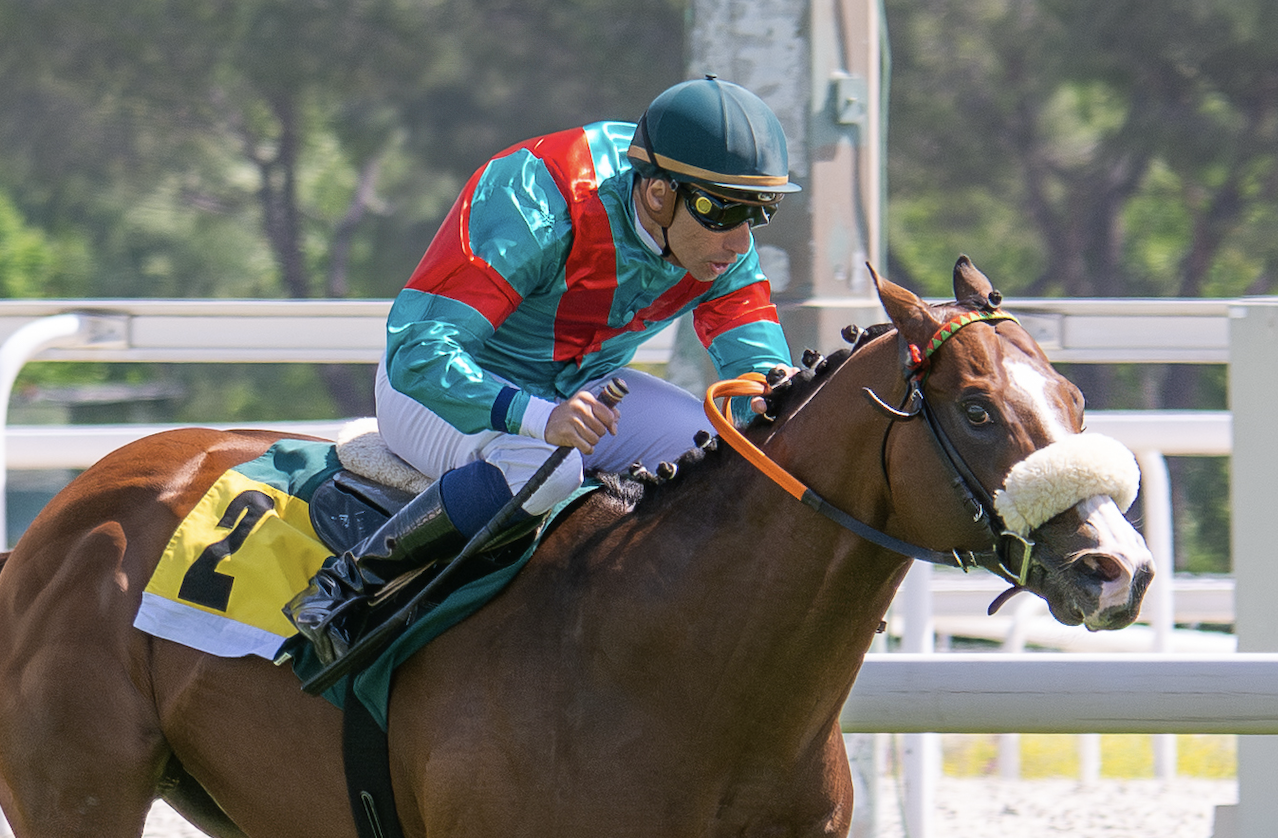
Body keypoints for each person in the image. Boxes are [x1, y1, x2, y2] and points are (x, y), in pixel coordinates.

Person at [285, 75, 801, 664]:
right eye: (725, 211)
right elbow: (419, 355)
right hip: (441, 389)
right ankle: (348, 584)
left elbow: (756, 374)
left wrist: (774, 402)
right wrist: (537, 416)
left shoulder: (709, 225)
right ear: (658, 193)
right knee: (549, 466)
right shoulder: (536, 193)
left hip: (583, 392)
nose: (740, 240)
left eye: (760, 212)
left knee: (734, 457)